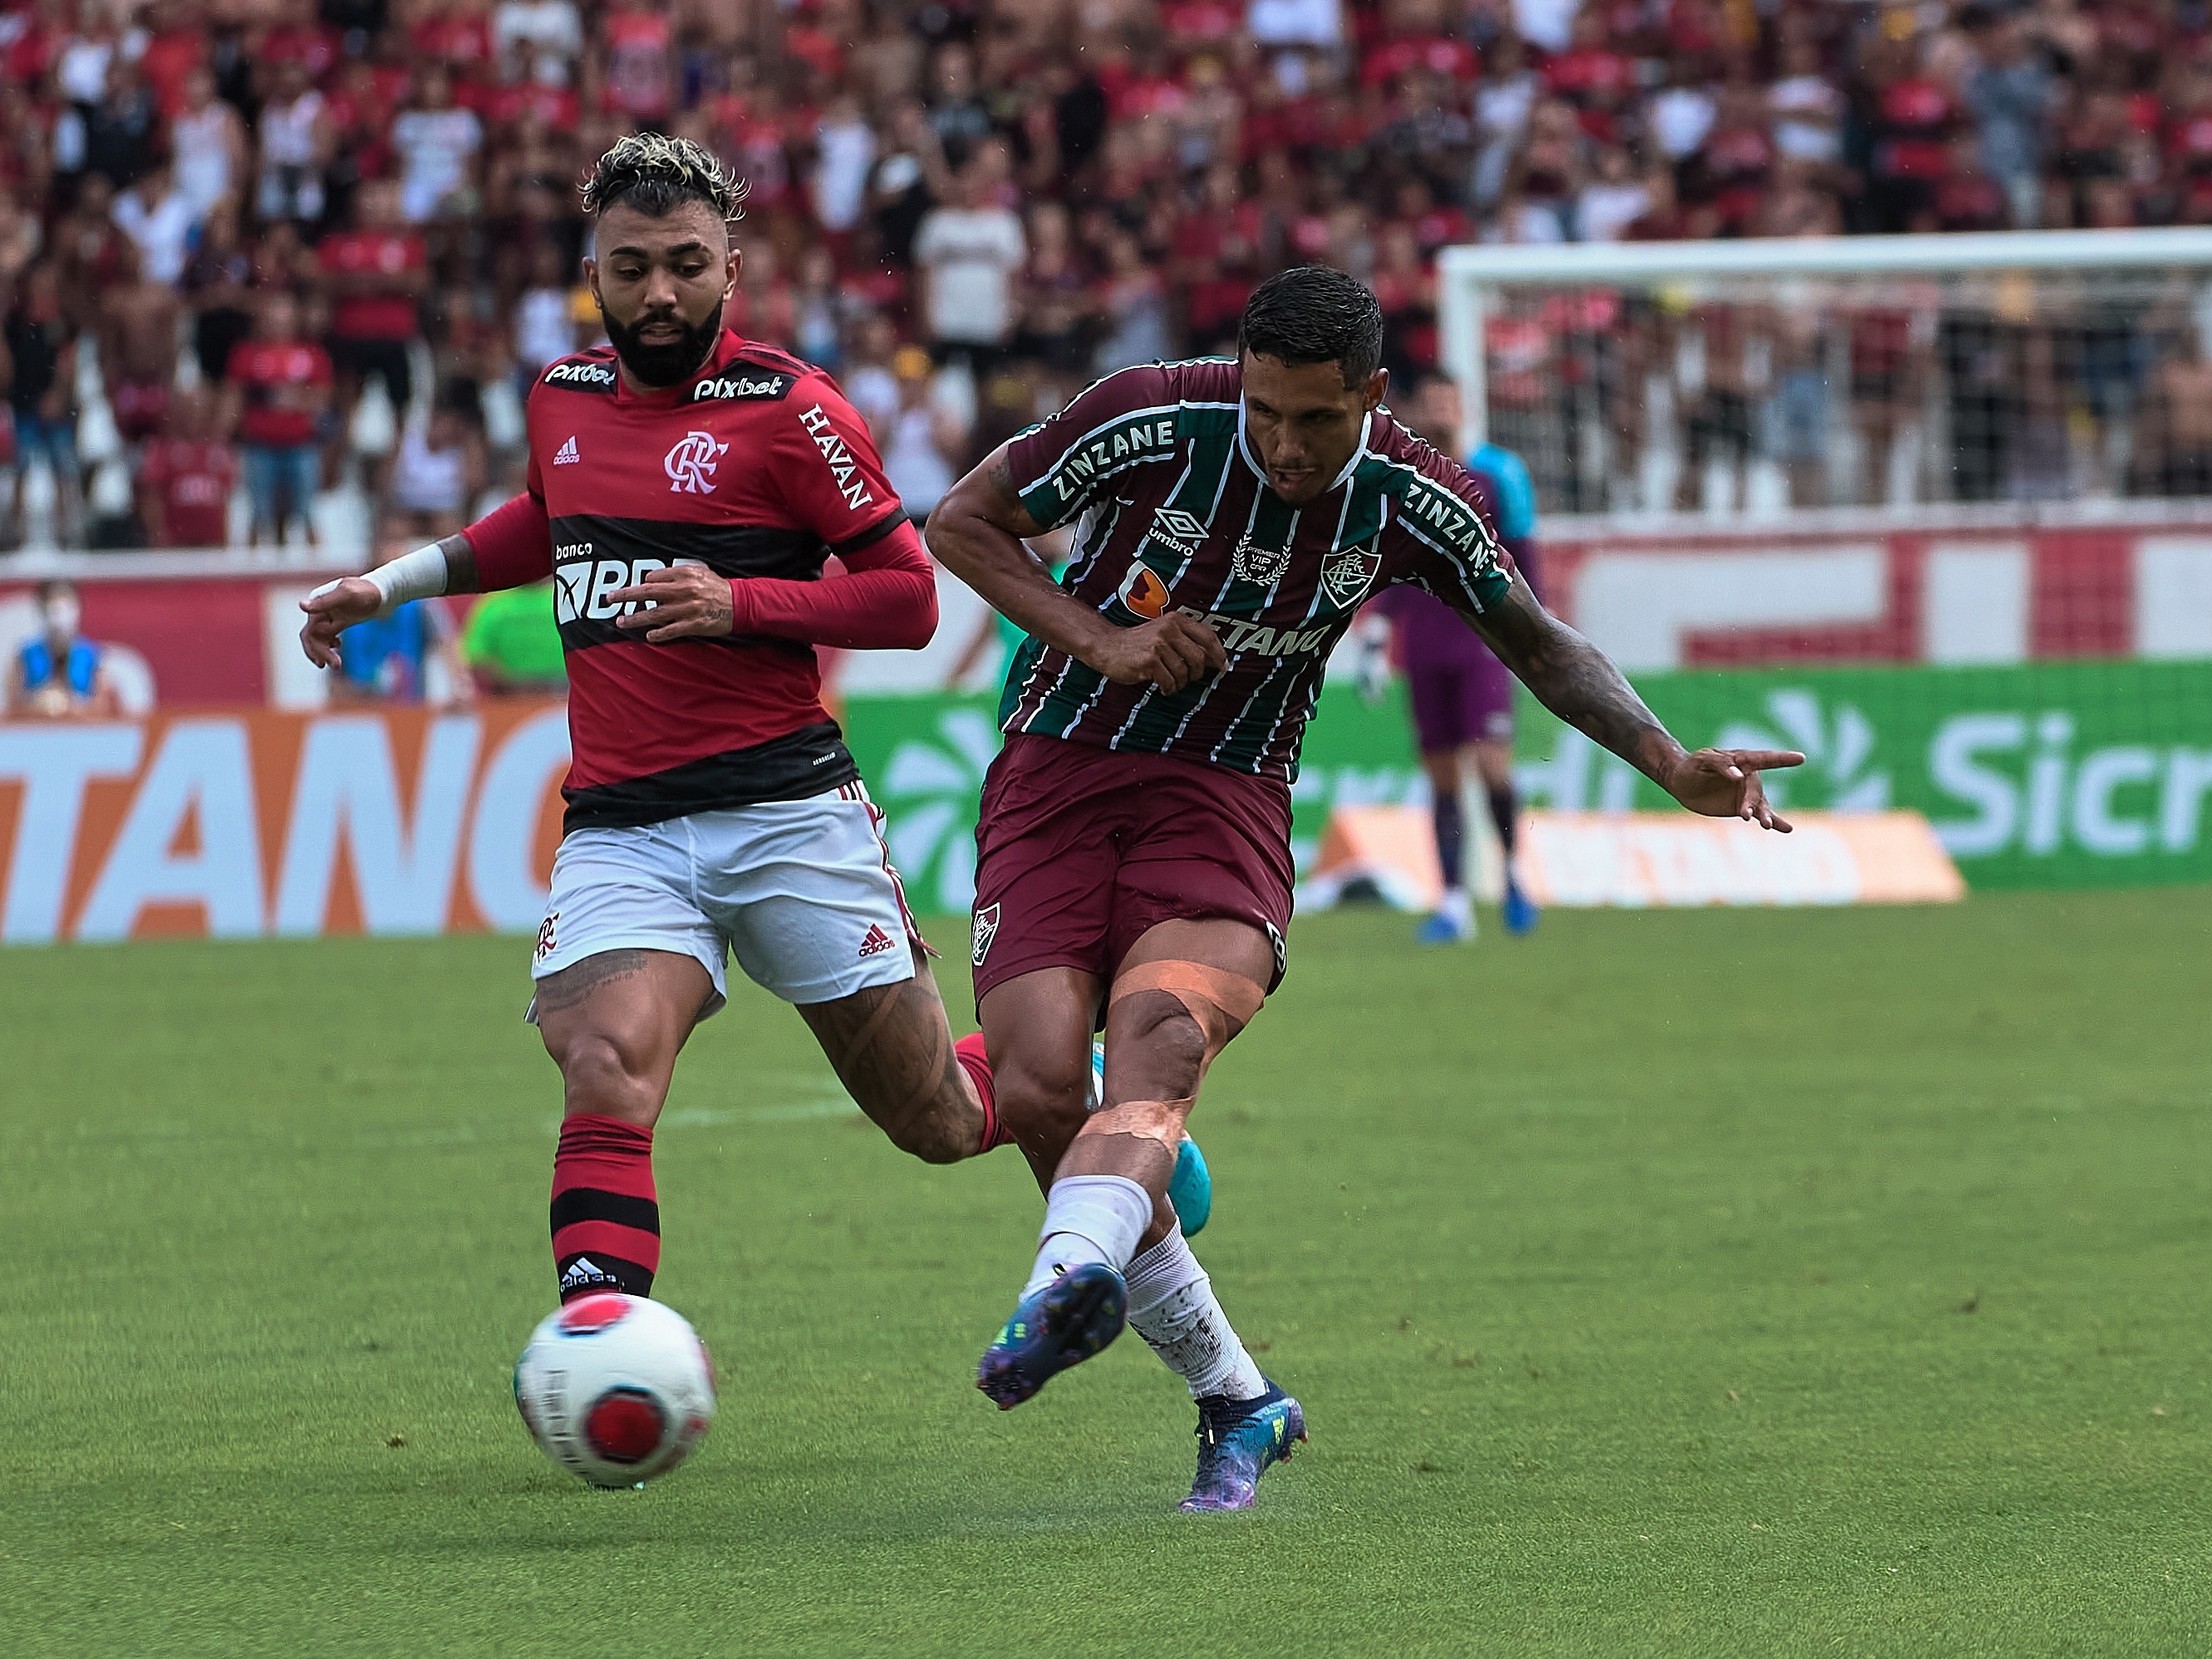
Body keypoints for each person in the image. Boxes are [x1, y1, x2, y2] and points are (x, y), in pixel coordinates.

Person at [927, 265, 1802, 1511]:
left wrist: (1670, 763)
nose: (1285, 446)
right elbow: (958, 522)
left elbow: (1540, 646)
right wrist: (1104, 638)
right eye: (1265, 411)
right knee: (1036, 1082)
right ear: (1238, 377)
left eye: (1317, 421)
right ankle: (1236, 1398)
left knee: (1161, 1041)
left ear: (1371, 397)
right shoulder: (1145, 415)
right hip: (1055, 777)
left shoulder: (1412, 497)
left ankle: (1055, 1292)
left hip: (1223, 799)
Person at [295, 137, 1192, 1316]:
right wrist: (395, 582)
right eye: (630, 269)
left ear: (731, 267)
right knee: (604, 1064)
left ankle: (1061, 1091)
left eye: (683, 265)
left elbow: (909, 597)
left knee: (938, 1118)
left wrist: (741, 602)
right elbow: (547, 517)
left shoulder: (791, 412)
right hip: (624, 824)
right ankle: (600, 1342)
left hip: (786, 813)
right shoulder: (560, 398)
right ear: (593, 272)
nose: (657, 293)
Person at [1361, 373, 1541, 943]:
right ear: (1415, 404)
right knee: (1441, 777)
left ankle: (1513, 875)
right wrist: (1375, 634)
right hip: (1425, 644)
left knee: (1491, 766)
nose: (1439, 409)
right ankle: (1455, 902)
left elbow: (1525, 560)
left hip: (1483, 644)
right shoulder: (1401, 479)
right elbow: (1389, 561)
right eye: (1429, 398)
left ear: (1462, 406)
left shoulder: (1499, 473)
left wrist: (1535, 637)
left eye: (1447, 398)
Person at [223, 291, 330, 549]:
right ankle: (251, 569)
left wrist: (286, 400)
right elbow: (235, 396)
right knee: (259, 514)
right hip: (260, 444)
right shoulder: (247, 354)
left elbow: (321, 399)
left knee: (307, 513)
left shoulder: (310, 355)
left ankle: (314, 567)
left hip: (300, 443)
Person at [2, 262, 81, 550]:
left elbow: (67, 363)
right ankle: (14, 531)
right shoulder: (15, 322)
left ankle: (65, 531)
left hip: (55, 406)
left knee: (62, 466)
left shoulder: (61, 322)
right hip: (23, 402)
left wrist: (59, 396)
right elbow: (8, 366)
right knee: (20, 467)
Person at [7, 579, 121, 717]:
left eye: (66, 606)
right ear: (42, 610)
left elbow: (105, 705)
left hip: (81, 729)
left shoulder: (92, 655)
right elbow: (12, 706)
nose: (60, 614)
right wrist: (41, 710)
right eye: (54, 607)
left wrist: (73, 710)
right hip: (38, 730)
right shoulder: (25, 655)